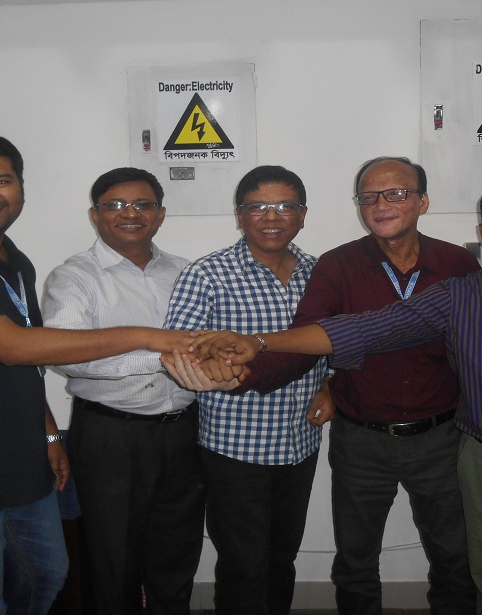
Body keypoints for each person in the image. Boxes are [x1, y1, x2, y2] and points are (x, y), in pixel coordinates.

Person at [190, 177, 482, 615]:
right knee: (459, 582)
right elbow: (363, 330)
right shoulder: (443, 290)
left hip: (469, 444)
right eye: (370, 196)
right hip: (414, 449)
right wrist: (259, 349)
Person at [0, 131, 194, 615]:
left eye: (1, 181)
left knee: (44, 577)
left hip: (20, 459)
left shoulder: (12, 261)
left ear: (20, 189)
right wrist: (149, 336)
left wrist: (48, 434)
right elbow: (12, 347)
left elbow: (27, 365)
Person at [176, 157, 478, 614]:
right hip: (355, 441)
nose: (382, 204)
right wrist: (245, 373)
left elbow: (474, 345)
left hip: (439, 437)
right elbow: (306, 343)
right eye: (370, 196)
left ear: (422, 201)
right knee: (351, 562)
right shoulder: (338, 266)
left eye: (396, 193)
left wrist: (324, 382)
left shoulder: (459, 264)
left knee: (455, 555)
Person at [161, 165, 331, 615]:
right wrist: (212, 368)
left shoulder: (321, 273)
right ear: (240, 216)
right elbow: (181, 351)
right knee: (243, 565)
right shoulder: (208, 274)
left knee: (282, 558)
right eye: (258, 207)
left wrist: (331, 386)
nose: (271, 217)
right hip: (235, 449)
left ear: (303, 214)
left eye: (285, 206)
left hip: (301, 442)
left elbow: (333, 343)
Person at [41, 167, 204, 614]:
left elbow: (204, 342)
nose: (130, 213)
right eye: (115, 205)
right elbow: (67, 356)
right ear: (95, 214)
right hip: (112, 434)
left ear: (161, 214)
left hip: (186, 430)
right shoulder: (74, 277)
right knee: (113, 556)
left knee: (177, 549)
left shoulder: (187, 272)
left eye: (143, 204)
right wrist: (159, 355)